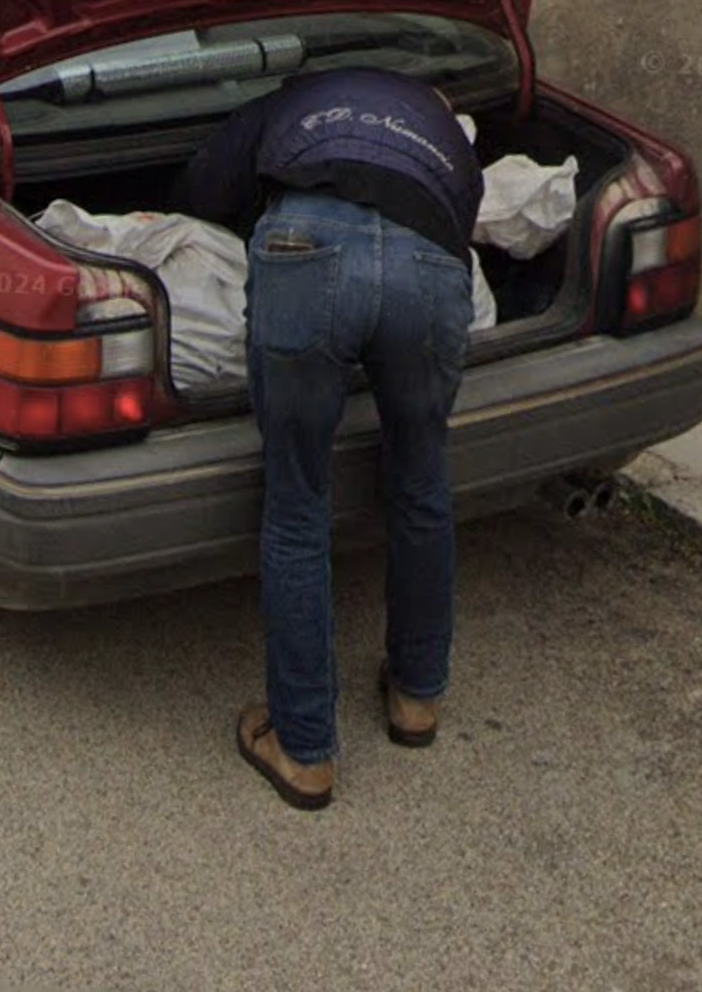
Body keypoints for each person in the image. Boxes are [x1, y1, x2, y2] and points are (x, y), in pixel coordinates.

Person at [180, 65, 481, 810]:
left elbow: (203, 190)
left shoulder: (289, 102)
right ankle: (416, 697)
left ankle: (304, 746)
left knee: (296, 506)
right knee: (421, 482)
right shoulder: (444, 132)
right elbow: (464, 222)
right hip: (430, 268)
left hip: (305, 249)